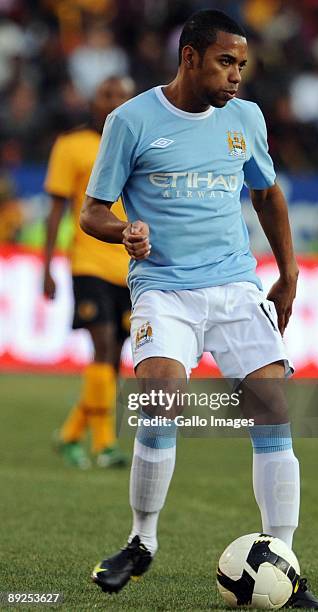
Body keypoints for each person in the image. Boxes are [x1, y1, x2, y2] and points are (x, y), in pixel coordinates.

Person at [81, 10, 318, 610]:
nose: (236, 77)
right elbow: (92, 210)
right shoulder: (132, 120)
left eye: (241, 65)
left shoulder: (245, 119)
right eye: (226, 62)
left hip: (234, 286)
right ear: (190, 57)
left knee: (273, 408)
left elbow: (267, 194)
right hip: (163, 288)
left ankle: (283, 560)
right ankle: (141, 541)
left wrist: (289, 273)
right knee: (161, 394)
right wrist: (123, 232)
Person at [44, 76, 135, 469]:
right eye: (107, 94)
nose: (114, 102)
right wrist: (47, 267)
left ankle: (69, 435)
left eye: (121, 97)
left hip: (129, 267)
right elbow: (55, 211)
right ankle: (104, 444)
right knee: (102, 345)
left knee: (113, 359)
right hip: (88, 263)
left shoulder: (137, 144)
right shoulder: (71, 145)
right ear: (94, 100)